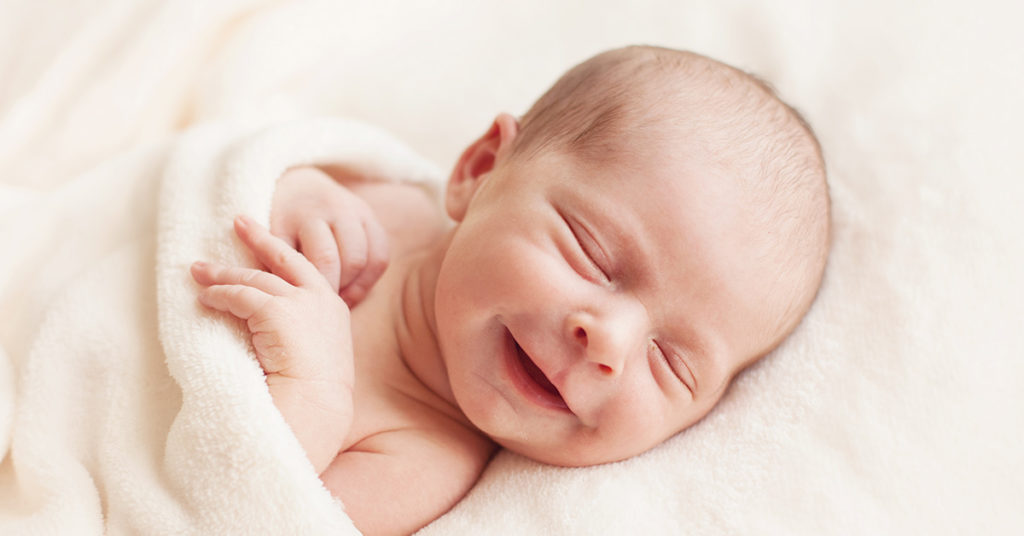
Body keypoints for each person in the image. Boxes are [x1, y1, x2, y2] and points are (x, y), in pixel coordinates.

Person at [189, 45, 830, 535]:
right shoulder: (365, 203)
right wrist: (291, 181)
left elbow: (241, 515)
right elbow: (210, 170)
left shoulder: (418, 460)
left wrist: (312, 393)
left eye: (671, 364)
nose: (609, 341)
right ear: (480, 170)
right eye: (591, 252)